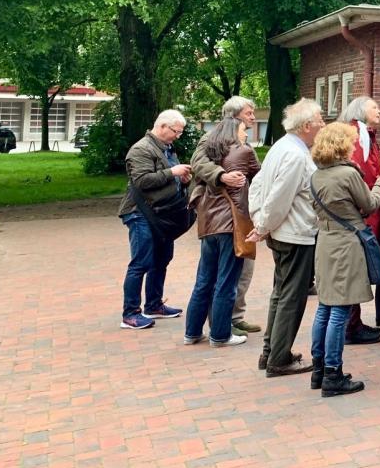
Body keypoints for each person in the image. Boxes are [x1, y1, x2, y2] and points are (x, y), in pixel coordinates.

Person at [308, 122, 380, 397]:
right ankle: (333, 374)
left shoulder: (317, 175)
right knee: (341, 308)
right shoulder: (347, 174)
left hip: (325, 242)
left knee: (324, 307)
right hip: (345, 244)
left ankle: (319, 369)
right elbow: (369, 204)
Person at [247, 98, 324, 378]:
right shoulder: (294, 154)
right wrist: (263, 223)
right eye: (319, 121)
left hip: (285, 231)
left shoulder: (283, 146)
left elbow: (258, 186)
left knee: (281, 294)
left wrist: (261, 221)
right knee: (291, 297)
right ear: (306, 126)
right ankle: (278, 358)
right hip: (294, 234)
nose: (322, 125)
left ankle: (272, 352)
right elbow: (280, 196)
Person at [183, 117, 260, 347]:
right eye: (244, 129)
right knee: (227, 281)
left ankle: (192, 332)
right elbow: (261, 176)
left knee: (204, 280)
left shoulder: (210, 153)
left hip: (208, 224)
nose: (247, 133)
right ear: (233, 132)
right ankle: (220, 334)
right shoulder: (243, 151)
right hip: (231, 224)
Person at [118, 109, 192, 330]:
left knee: (162, 259)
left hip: (161, 213)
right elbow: (141, 181)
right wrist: (173, 172)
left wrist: (184, 181)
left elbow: (170, 178)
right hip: (140, 213)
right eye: (176, 131)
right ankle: (130, 314)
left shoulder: (166, 148)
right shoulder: (141, 149)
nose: (177, 136)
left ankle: (153, 305)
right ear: (162, 127)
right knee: (141, 262)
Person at [339, 96, 380, 341]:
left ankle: (354, 321)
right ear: (361, 111)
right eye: (375, 107)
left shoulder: (365, 134)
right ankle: (351, 325)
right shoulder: (358, 136)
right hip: (364, 211)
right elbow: (365, 174)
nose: (379, 110)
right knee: (357, 268)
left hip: (368, 208)